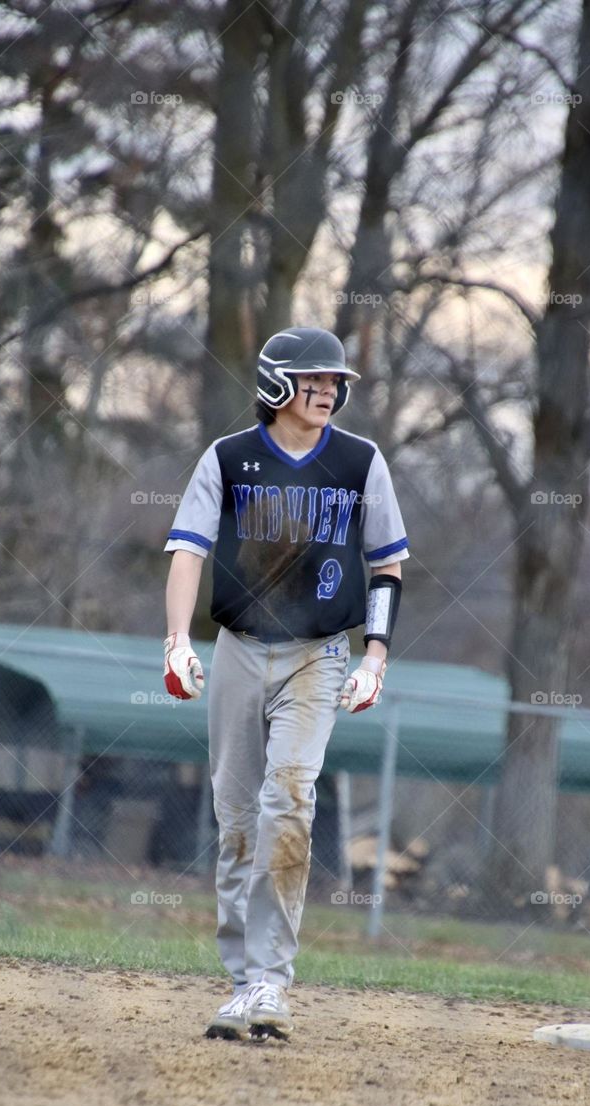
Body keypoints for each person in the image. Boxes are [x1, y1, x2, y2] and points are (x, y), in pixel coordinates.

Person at [162, 327, 408, 1040]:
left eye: (335, 382)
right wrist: (177, 641)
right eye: (314, 379)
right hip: (238, 650)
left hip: (319, 654)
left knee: (289, 800)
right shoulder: (229, 458)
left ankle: (272, 982)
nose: (329, 391)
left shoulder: (359, 462)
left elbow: (387, 566)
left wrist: (375, 657)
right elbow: (187, 550)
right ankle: (240, 983)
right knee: (236, 820)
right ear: (275, 386)